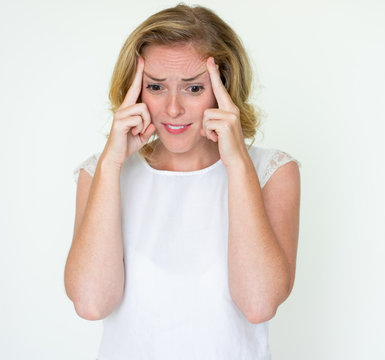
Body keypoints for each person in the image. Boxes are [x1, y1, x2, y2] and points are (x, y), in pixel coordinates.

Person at [64, 4, 301, 359]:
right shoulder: (100, 173)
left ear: (225, 88)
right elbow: (91, 303)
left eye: (193, 88)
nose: (173, 109)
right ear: (135, 90)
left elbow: (258, 304)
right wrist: (112, 162)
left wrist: (236, 162)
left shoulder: (272, 171)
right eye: (156, 86)